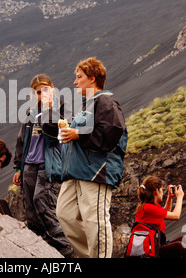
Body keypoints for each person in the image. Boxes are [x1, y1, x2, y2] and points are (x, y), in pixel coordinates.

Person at [57, 57, 128, 258]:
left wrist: (78, 134)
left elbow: (112, 132)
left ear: (92, 78)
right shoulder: (87, 105)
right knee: (65, 214)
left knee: (94, 219)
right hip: (76, 170)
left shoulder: (106, 102)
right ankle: (90, 255)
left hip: (96, 170)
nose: (75, 81)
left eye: (79, 77)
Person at [13, 74, 74, 257]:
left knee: (43, 201)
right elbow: (22, 139)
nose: (42, 94)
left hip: (49, 161)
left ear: (52, 87)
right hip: (29, 164)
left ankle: (65, 248)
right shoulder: (31, 111)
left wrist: (49, 108)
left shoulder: (62, 106)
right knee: (30, 207)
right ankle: (43, 249)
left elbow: (55, 131)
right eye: (38, 92)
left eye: (45, 90)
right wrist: (18, 166)